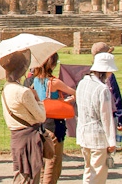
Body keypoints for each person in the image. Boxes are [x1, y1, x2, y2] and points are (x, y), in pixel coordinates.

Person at [0, 50, 46, 184]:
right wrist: (38, 100)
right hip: (28, 138)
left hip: (17, 137)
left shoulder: (7, 88)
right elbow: (41, 116)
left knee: (22, 176)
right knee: (29, 177)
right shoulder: (23, 92)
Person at [31, 53, 75, 184]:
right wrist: (68, 100)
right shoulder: (54, 82)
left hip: (41, 121)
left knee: (44, 162)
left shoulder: (36, 80)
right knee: (53, 163)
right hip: (54, 124)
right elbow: (74, 92)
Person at [76, 52, 118, 184]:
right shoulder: (102, 89)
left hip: (84, 133)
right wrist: (112, 141)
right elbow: (106, 118)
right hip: (97, 137)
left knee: (88, 171)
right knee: (98, 175)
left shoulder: (82, 83)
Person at [91, 42, 122, 138]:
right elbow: (116, 98)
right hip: (108, 116)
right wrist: (119, 119)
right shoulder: (109, 76)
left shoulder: (88, 75)